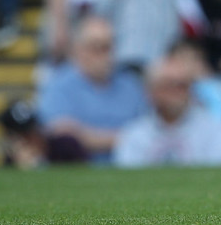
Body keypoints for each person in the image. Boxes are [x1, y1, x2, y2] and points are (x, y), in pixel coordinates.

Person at [38, 16, 148, 161]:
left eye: (108, 47)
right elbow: (62, 135)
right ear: (77, 49)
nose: (104, 55)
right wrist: (127, 139)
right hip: (78, 171)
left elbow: (150, 129)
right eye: (96, 47)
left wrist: (87, 136)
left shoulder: (130, 84)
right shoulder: (58, 84)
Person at [113, 52, 221, 167]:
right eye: (169, 85)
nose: (176, 93)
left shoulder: (215, 131)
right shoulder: (134, 136)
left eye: (182, 86)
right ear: (151, 91)